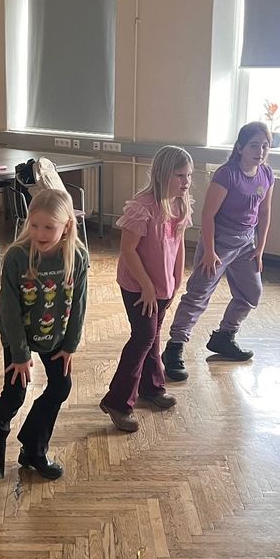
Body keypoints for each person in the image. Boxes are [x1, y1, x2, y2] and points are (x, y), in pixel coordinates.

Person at [0, 188, 89, 517]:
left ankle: (33, 449)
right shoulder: (17, 256)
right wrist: (20, 354)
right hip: (18, 336)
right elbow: (10, 309)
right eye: (35, 225)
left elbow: (79, 304)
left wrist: (70, 345)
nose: (40, 233)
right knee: (13, 396)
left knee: (61, 386)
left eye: (49, 227)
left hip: (56, 334)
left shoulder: (77, 257)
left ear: (67, 226)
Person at [162, 122, 274, 380]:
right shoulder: (227, 174)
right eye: (254, 146)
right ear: (240, 148)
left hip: (246, 243)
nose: (260, 151)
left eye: (265, 146)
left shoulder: (266, 174)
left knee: (251, 293)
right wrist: (210, 251)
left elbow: (265, 211)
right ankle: (174, 347)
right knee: (198, 294)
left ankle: (225, 337)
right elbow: (208, 215)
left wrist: (260, 247)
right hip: (220, 241)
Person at [100, 146, 193, 432]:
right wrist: (147, 286)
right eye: (180, 175)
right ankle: (117, 402)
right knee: (143, 337)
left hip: (162, 285)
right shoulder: (143, 206)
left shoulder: (180, 204)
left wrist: (176, 279)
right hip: (138, 286)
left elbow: (178, 245)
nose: (186, 181)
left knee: (153, 335)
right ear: (162, 174)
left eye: (188, 175)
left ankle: (151, 387)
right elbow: (127, 249)